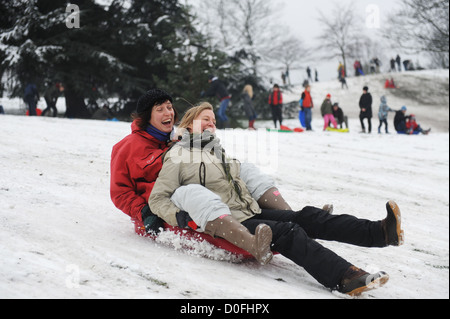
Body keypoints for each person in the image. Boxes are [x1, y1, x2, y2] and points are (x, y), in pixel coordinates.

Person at [149, 102, 405, 296]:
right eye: (205, 119)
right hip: (232, 220)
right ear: (189, 122)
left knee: (309, 216)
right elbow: (158, 198)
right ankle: (346, 277)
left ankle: (380, 232)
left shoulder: (218, 152)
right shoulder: (178, 156)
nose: (211, 124)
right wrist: (179, 217)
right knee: (289, 232)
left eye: (213, 120)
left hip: (251, 211)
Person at [110, 89, 292, 237]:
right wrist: (144, 212)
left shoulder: (177, 140)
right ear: (146, 117)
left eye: (170, 107)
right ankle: (245, 234)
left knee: (245, 169)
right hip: (168, 205)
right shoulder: (126, 147)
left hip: (206, 195)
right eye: (160, 109)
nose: (168, 113)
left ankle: (287, 216)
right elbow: (120, 191)